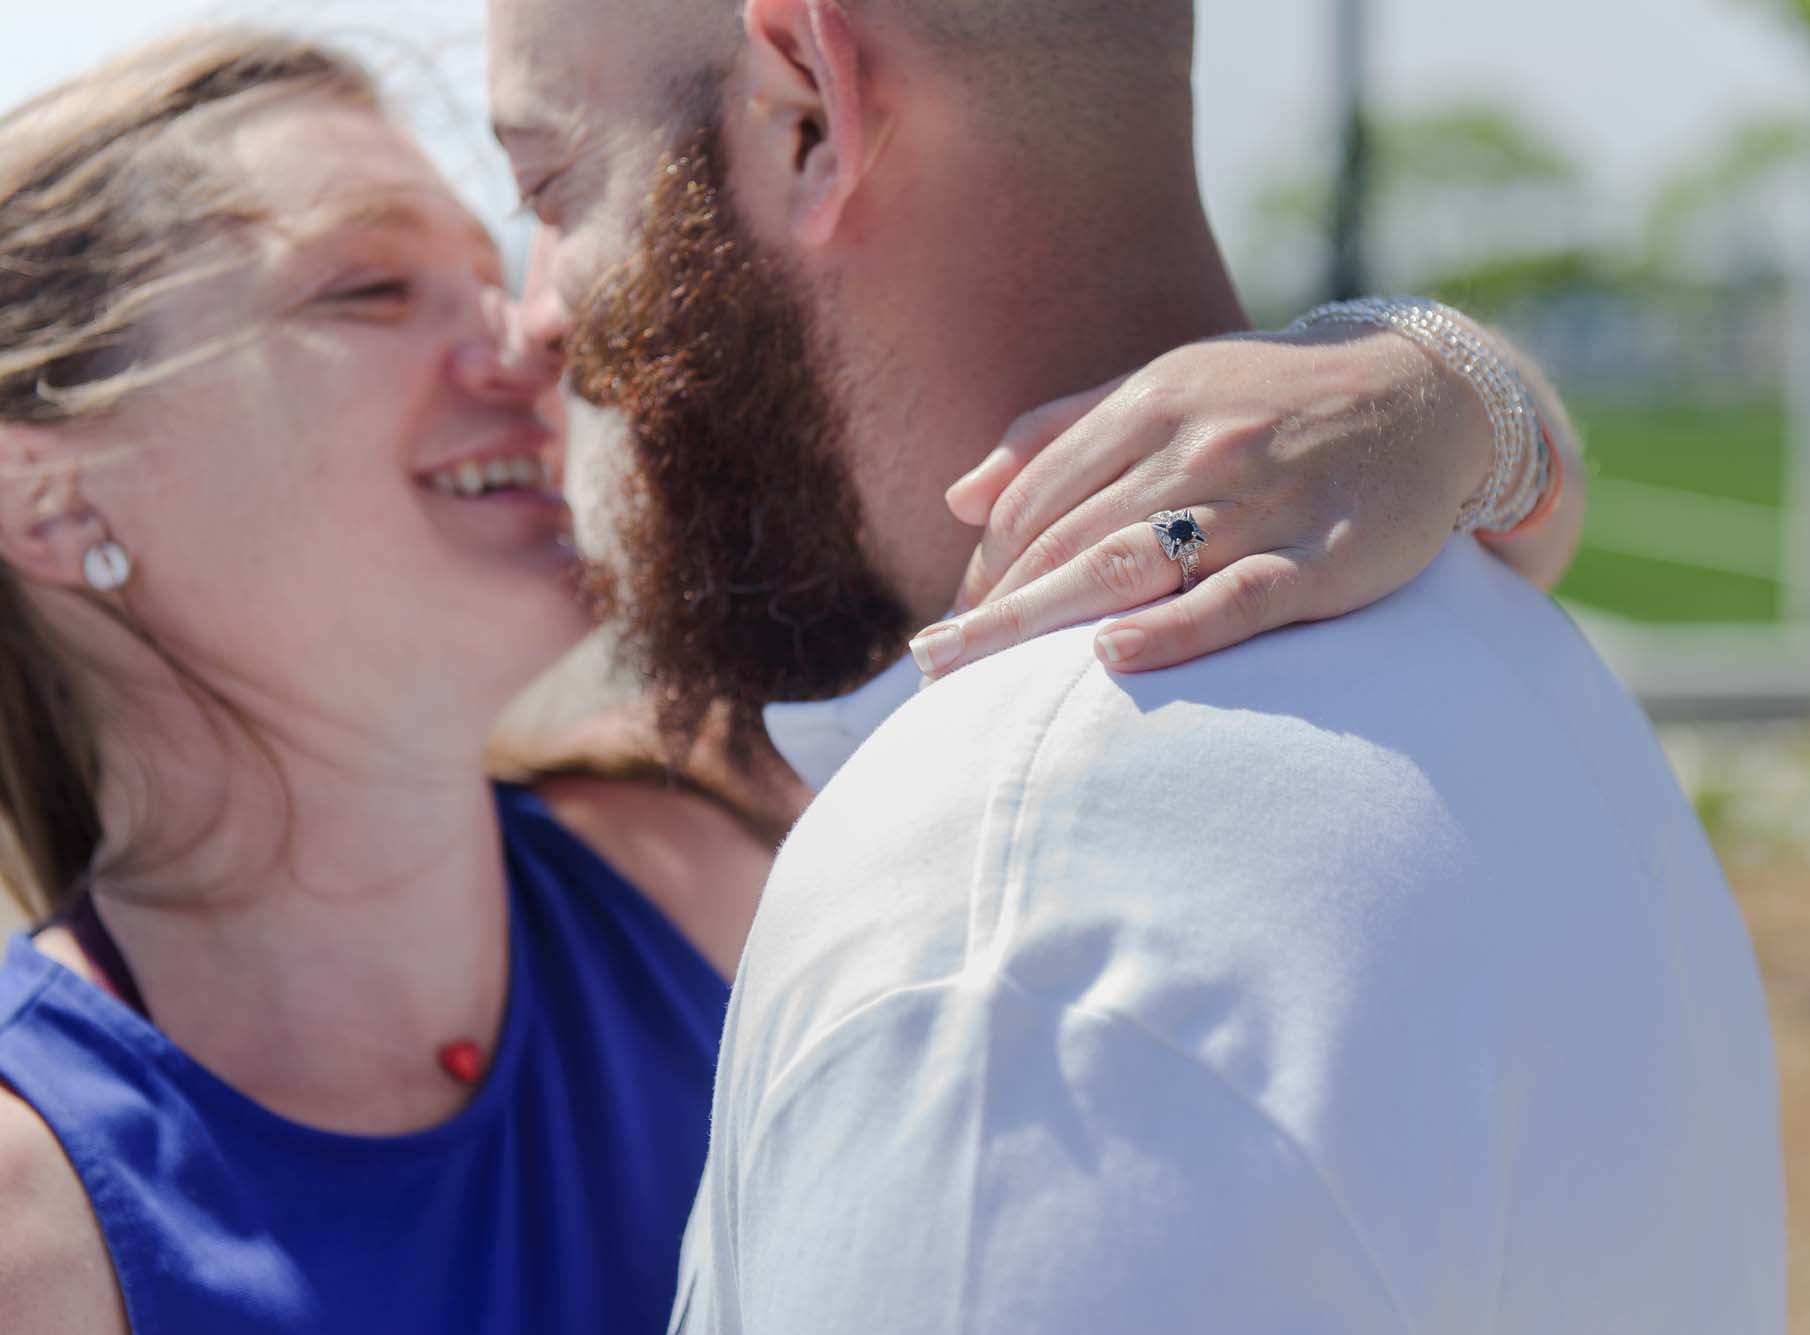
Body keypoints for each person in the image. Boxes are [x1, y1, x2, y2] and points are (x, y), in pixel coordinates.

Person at [0, 27, 1594, 1335]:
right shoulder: (40, 1203)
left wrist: (1412, 388)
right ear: (48, 500)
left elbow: (1441, 514)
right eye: (366, 289)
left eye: (494, 258)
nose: (528, 336)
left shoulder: (714, 837)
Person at [484, 1, 1787, 1331]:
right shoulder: (1505, 650)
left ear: (807, 109)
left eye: (548, 181)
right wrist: (1450, 379)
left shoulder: (1000, 943)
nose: (523, 320)